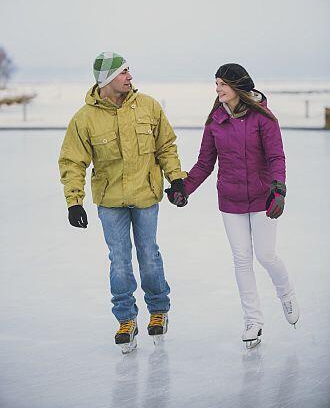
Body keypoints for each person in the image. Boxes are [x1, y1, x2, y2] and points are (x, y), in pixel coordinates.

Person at [58, 51, 187, 353]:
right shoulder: (84, 118)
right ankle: (126, 319)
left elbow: (166, 146)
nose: (130, 76)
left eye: (129, 71)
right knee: (119, 260)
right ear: (106, 80)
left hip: (145, 195)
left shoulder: (149, 107)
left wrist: (177, 179)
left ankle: (158, 309)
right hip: (110, 200)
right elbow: (72, 162)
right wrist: (74, 201)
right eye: (123, 72)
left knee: (148, 254)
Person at [167, 63, 299, 349]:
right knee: (241, 259)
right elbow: (204, 163)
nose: (217, 89)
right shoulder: (215, 121)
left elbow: (277, 157)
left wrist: (279, 189)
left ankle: (286, 292)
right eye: (216, 84)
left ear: (237, 86)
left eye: (222, 84)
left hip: (263, 198)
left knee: (265, 254)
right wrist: (183, 188)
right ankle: (253, 321)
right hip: (230, 200)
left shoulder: (263, 118)